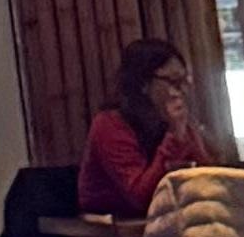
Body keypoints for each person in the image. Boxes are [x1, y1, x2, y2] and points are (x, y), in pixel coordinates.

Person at [78, 37, 214, 217]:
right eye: (173, 81)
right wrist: (174, 136)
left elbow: (209, 181)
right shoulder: (109, 124)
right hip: (114, 229)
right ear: (143, 84)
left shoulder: (172, 122)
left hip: (167, 223)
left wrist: (189, 134)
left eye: (184, 81)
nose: (182, 91)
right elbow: (142, 198)